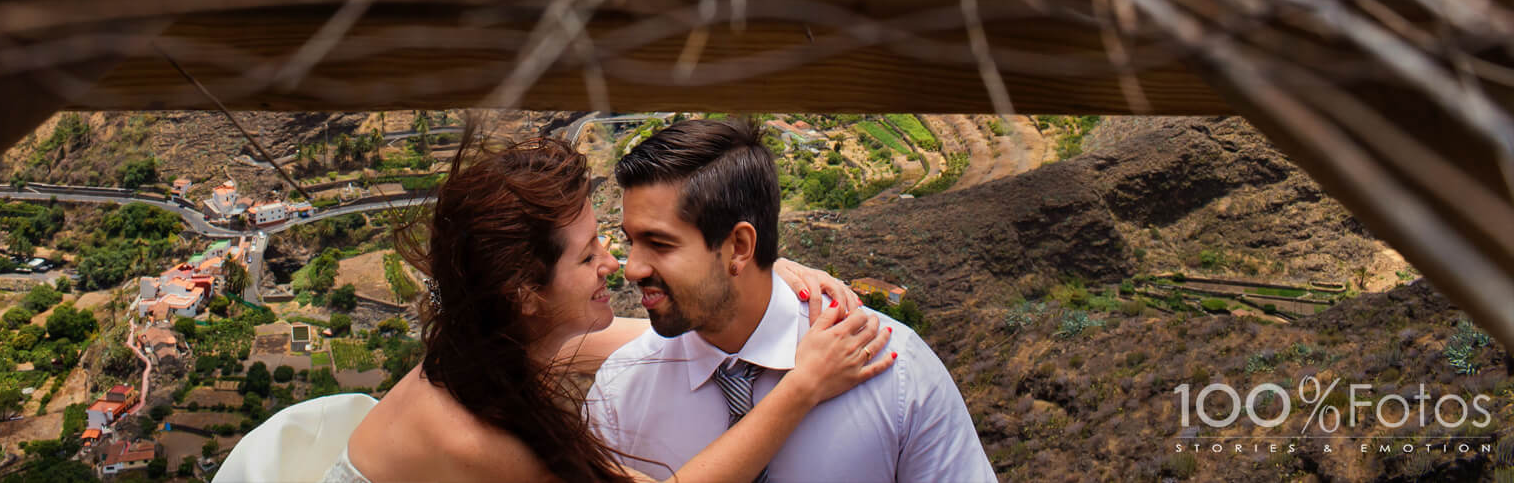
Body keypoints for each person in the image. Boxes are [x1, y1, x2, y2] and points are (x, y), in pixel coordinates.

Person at [216, 129, 892, 483]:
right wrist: (801, 386)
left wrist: (750, 278)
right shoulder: (475, 438)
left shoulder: (501, 344)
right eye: (587, 253)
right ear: (526, 292)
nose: (614, 264)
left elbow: (665, 333)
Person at [588, 118, 996, 482]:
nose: (632, 268)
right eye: (631, 242)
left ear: (740, 246)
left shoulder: (896, 370)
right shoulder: (620, 393)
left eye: (658, 243)